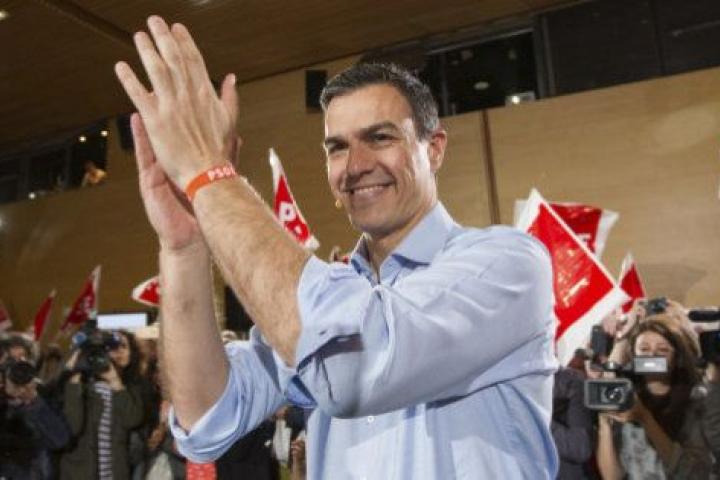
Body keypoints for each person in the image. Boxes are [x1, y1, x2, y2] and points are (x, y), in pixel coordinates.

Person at [114, 16, 558, 478]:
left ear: (434, 149)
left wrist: (210, 175)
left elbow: (355, 369)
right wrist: (185, 247)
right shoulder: (324, 299)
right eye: (337, 148)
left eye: (380, 137)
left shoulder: (507, 264)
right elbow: (205, 419)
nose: (356, 165)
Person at [596, 314, 714, 479]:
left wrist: (645, 418)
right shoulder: (624, 396)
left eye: (662, 350)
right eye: (644, 349)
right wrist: (605, 426)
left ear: (676, 358)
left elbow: (693, 473)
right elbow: (612, 476)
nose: (652, 356)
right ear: (633, 355)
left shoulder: (697, 400)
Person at [59, 330, 144, 479]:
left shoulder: (133, 387)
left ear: (132, 354)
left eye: (124, 346)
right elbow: (73, 427)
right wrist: (75, 374)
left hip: (115, 473)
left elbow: (132, 420)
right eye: (112, 347)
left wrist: (115, 382)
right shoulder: (81, 385)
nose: (118, 351)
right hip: (79, 473)